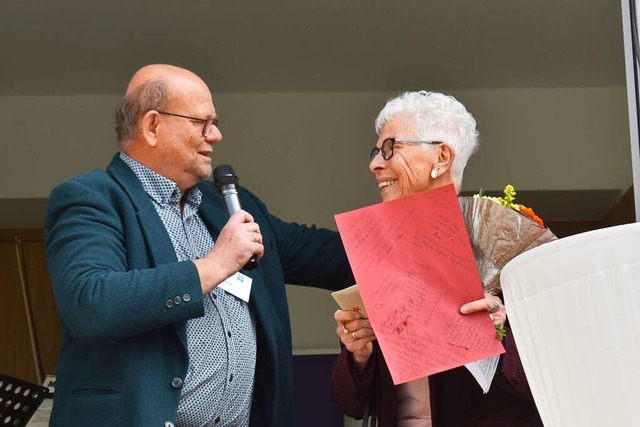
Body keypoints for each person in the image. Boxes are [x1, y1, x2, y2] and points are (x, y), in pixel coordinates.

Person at [44, 64, 354, 427]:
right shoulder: (92, 198)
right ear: (153, 126)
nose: (217, 135)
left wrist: (425, 227)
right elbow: (92, 303)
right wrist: (215, 264)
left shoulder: (231, 206)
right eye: (202, 122)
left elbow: (330, 257)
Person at [330, 91, 542, 426]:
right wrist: (360, 355)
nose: (374, 164)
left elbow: (552, 377)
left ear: (441, 157)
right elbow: (353, 405)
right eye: (376, 152)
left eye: (390, 149)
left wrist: (500, 329)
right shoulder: (375, 250)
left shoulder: (507, 247)